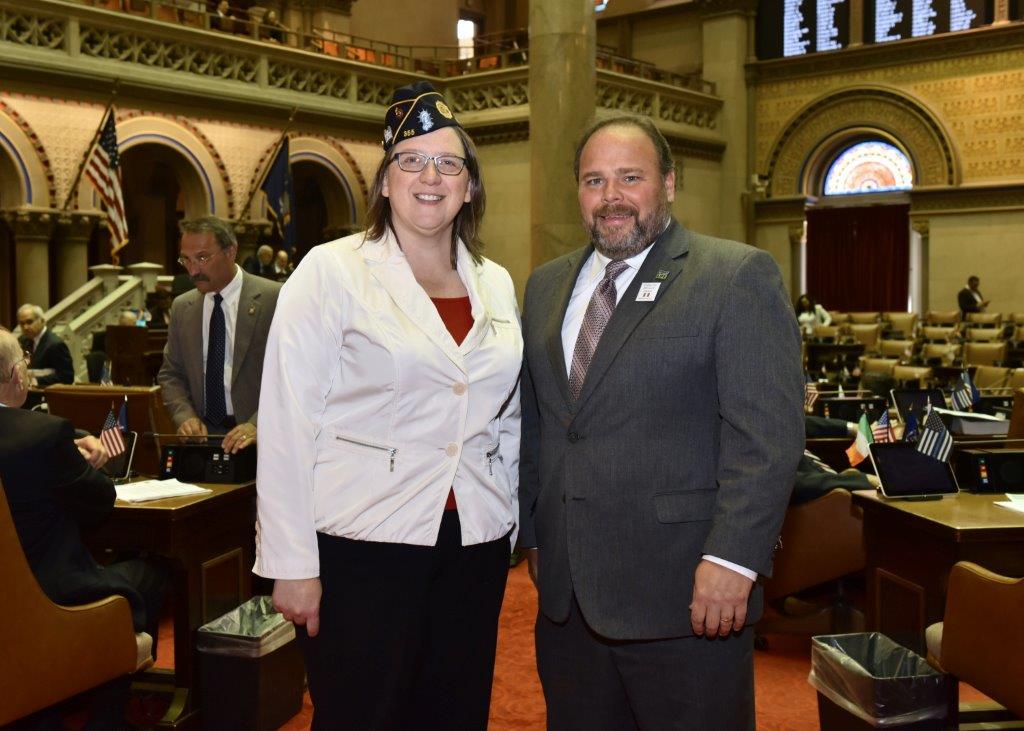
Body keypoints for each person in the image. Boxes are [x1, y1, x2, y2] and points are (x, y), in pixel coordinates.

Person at [518, 115, 804, 729]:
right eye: (594, 180)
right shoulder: (544, 287)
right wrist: (535, 535)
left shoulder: (733, 276)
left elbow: (768, 440)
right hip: (568, 604)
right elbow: (540, 423)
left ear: (669, 184)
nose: (611, 196)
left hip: (687, 599)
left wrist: (733, 560)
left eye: (631, 177)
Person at [255, 80, 522, 730]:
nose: (430, 176)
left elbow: (505, 413)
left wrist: (509, 517)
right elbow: (288, 421)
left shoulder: (495, 280)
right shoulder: (331, 271)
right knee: (362, 715)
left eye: (448, 162)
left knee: (454, 715)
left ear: (470, 186)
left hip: (472, 547)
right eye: (410, 160)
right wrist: (293, 564)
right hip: (364, 547)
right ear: (383, 180)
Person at [0, 327, 164, 727]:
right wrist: (86, 462)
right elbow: (98, 503)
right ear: (17, 376)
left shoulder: (43, 436)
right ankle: (106, 718)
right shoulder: (42, 437)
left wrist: (73, 439)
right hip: (46, 600)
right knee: (148, 574)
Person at [157, 216, 281, 454]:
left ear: (230, 252)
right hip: (203, 441)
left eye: (202, 258)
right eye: (186, 260)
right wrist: (184, 416)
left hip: (262, 439)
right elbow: (171, 374)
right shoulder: (183, 307)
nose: (193, 270)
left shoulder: (274, 299)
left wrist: (258, 424)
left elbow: (292, 375)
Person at [17, 303, 75, 388]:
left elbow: (67, 377)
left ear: (42, 320)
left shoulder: (56, 344)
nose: (25, 327)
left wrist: (37, 380)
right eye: (22, 323)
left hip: (47, 395)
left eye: (29, 322)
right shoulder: (22, 341)